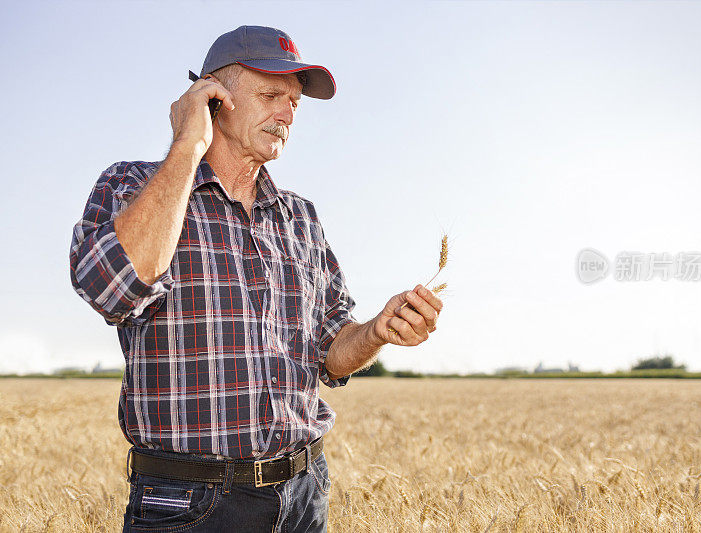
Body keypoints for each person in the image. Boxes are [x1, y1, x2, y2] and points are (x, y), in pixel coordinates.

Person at [68, 25, 443, 532]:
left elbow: (329, 351)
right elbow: (109, 288)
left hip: (304, 494)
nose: (288, 113)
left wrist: (376, 329)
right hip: (189, 504)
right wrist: (187, 145)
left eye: (295, 102)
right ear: (213, 99)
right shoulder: (130, 184)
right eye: (271, 94)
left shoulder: (301, 217)